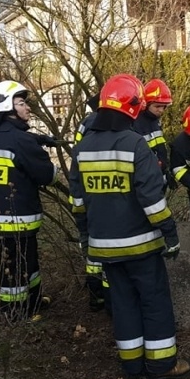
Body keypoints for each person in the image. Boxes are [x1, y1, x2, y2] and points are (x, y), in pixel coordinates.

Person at [69, 73, 190, 379]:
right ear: (132, 107)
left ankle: (132, 366)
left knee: (123, 305)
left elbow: (79, 203)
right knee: (154, 302)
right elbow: (152, 202)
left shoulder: (81, 150)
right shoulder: (135, 144)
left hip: (104, 248)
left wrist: (86, 238)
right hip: (141, 247)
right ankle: (163, 366)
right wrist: (170, 234)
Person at [0, 80, 57, 324]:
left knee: (20, 263)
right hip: (20, 217)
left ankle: (32, 301)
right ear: (8, 108)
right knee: (17, 268)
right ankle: (14, 314)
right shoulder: (20, 141)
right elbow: (47, 175)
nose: (28, 109)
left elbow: (14, 141)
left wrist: (38, 139)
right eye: (22, 103)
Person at [73, 93, 110, 313]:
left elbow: (77, 156)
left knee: (90, 248)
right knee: (103, 248)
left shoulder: (84, 124)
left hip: (84, 194)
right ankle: (106, 296)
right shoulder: (104, 124)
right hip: (99, 195)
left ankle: (96, 297)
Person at [134, 79, 177, 193]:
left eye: (164, 106)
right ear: (146, 103)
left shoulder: (155, 121)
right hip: (146, 182)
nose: (161, 110)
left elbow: (159, 149)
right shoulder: (135, 122)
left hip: (158, 179)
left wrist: (165, 171)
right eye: (157, 106)